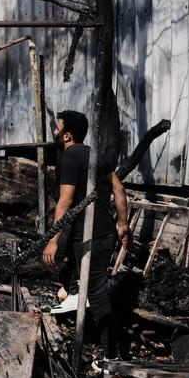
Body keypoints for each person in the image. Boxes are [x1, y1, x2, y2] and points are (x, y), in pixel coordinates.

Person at [41, 110, 130, 358]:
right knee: (79, 276)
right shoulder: (94, 155)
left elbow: (65, 201)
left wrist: (53, 239)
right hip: (104, 231)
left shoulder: (69, 158)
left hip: (90, 234)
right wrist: (122, 224)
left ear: (67, 135)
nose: (55, 133)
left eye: (57, 129)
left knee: (98, 295)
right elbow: (119, 189)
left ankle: (111, 357)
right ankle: (73, 303)